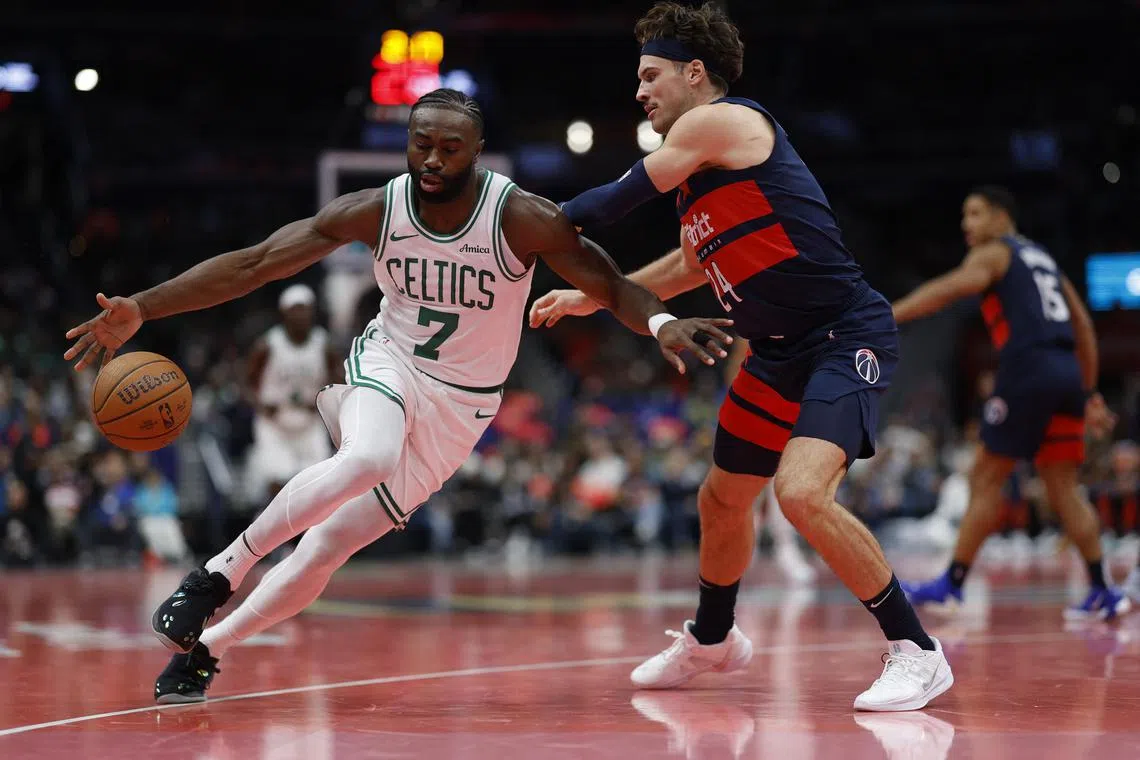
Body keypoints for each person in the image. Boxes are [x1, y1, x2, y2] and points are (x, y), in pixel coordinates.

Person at [63, 88, 733, 704]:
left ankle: (206, 651)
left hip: (463, 406)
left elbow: (610, 281)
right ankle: (214, 575)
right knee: (368, 457)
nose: (433, 159)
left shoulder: (521, 218)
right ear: (408, 141)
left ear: (475, 151)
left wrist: (662, 322)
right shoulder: (378, 209)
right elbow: (254, 264)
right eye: (422, 144)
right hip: (388, 364)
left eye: (450, 147)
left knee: (329, 545)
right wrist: (144, 309)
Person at [530, 2, 951, 711]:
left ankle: (917, 650)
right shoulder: (701, 170)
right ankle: (714, 640)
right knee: (722, 498)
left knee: (801, 493)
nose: (640, 92)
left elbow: (609, 204)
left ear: (695, 74)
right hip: (777, 353)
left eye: (651, 75)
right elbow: (692, 264)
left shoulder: (721, 122)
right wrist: (591, 299)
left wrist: (521, 218)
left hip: (843, 335)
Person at [891, 186, 1130, 620]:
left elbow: (951, 289)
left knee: (985, 477)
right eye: (965, 216)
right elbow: (1083, 327)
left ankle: (952, 584)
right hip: (1065, 374)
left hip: (1028, 370)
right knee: (1063, 487)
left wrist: (890, 315)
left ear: (1002, 218)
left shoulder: (993, 253)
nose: (967, 225)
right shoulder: (1043, 260)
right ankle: (1102, 589)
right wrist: (1089, 393)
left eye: (976, 213)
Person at [244, 283, 343, 505]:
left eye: (304, 308)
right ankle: (280, 537)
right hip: (275, 421)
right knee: (276, 481)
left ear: (312, 311)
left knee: (317, 482)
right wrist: (260, 405)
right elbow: (246, 381)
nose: (300, 314)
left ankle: (308, 536)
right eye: (295, 309)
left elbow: (340, 379)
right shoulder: (268, 344)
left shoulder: (323, 342)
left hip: (309, 421)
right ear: (284, 312)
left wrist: (325, 402)